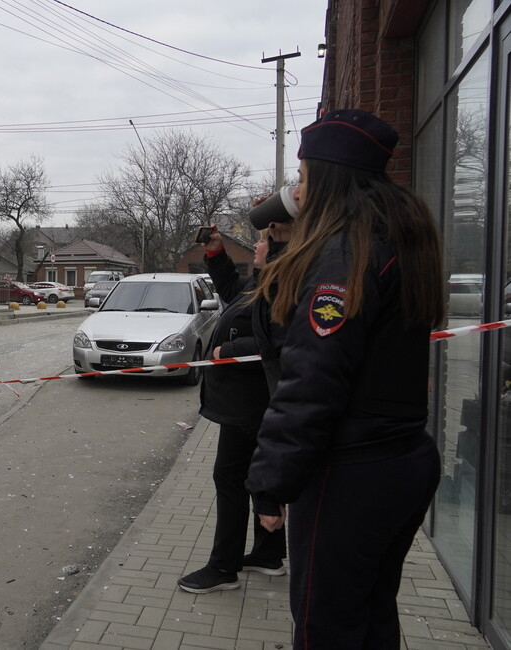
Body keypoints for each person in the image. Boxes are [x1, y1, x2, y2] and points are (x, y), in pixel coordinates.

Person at [245, 109, 445, 649]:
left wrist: (269, 484)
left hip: (351, 474)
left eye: (305, 178)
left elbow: (312, 382)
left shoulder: (345, 255)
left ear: (331, 177)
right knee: (371, 614)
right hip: (402, 458)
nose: (298, 192)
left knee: (326, 627)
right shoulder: (400, 235)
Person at [176, 225, 288, 594]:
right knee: (254, 478)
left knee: (230, 479)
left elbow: (282, 342)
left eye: (261, 240)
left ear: (277, 249)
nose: (255, 245)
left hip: (251, 405)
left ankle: (224, 568)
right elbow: (230, 291)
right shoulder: (262, 282)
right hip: (247, 404)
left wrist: (230, 352)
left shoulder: (281, 287)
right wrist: (215, 253)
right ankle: (269, 554)